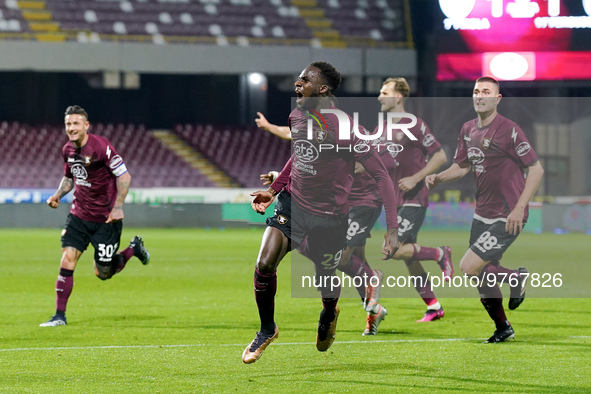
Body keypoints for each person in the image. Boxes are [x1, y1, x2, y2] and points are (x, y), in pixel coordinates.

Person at [242, 61, 399, 364]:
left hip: (329, 217)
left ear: (323, 88)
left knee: (325, 282)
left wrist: (392, 228)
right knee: (264, 263)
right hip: (293, 205)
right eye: (298, 80)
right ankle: (267, 329)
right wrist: (274, 190)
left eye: (304, 80)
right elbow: (298, 155)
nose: (297, 85)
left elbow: (382, 176)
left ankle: (329, 312)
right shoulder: (298, 115)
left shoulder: (346, 128)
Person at [425, 77, 544, 343]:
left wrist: (519, 207)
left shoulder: (510, 130)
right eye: (476, 91)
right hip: (482, 214)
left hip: (507, 215)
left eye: (486, 92)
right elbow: (463, 166)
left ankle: (517, 277)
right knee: (482, 278)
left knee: (468, 267)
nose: (480, 96)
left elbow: (536, 169)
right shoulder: (468, 129)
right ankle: (503, 327)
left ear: (497, 99)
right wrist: (439, 177)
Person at [40, 105, 150, 327]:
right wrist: (58, 195)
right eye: (68, 124)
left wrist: (118, 206)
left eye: (76, 124)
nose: (71, 128)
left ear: (86, 125)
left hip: (105, 220)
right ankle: (59, 316)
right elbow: (70, 178)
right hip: (79, 215)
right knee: (67, 259)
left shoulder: (101, 147)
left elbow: (125, 177)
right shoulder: (67, 151)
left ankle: (132, 250)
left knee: (103, 273)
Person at [372, 77, 452, 323]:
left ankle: (441, 253)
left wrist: (416, 178)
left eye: (384, 92)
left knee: (394, 250)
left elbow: (440, 156)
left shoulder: (415, 124)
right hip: (395, 200)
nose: (379, 96)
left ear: (398, 97)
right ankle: (434, 306)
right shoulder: (383, 128)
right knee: (409, 255)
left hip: (414, 197)